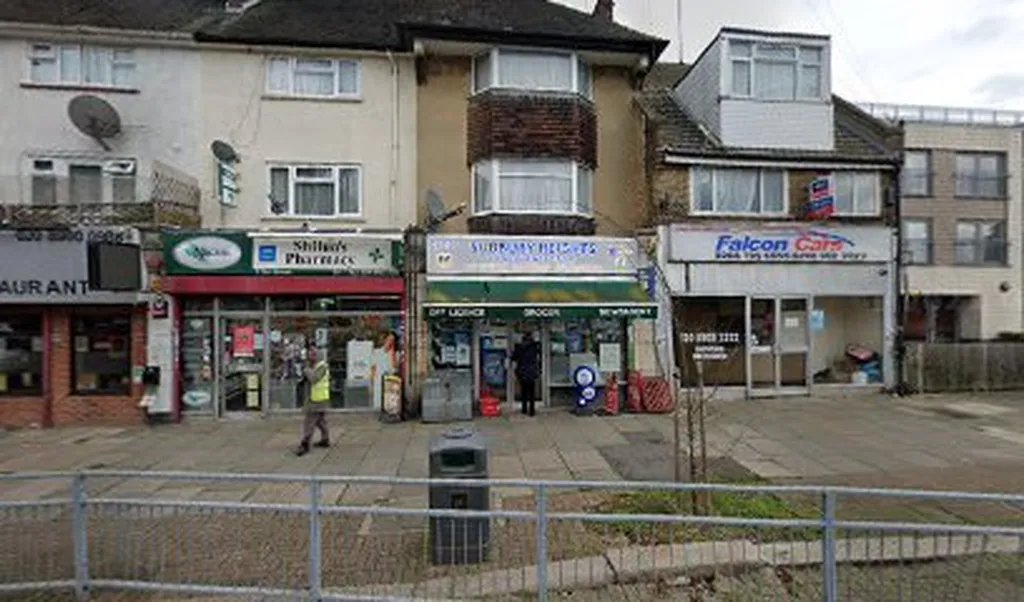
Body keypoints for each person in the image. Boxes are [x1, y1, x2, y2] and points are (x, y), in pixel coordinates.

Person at [295, 345, 330, 456]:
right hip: (317, 398)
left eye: (313, 354)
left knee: (309, 422)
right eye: (309, 353)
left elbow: (314, 379)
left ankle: (305, 443)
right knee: (320, 421)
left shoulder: (321, 367)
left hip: (316, 400)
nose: (310, 355)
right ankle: (325, 439)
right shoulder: (314, 366)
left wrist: (306, 370)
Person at [511, 330, 541, 416]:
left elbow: (514, 357)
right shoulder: (535, 347)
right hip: (531, 371)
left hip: (522, 371)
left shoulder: (519, 347)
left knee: (523, 391)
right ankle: (532, 411)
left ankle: (524, 409)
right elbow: (539, 355)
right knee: (531, 392)